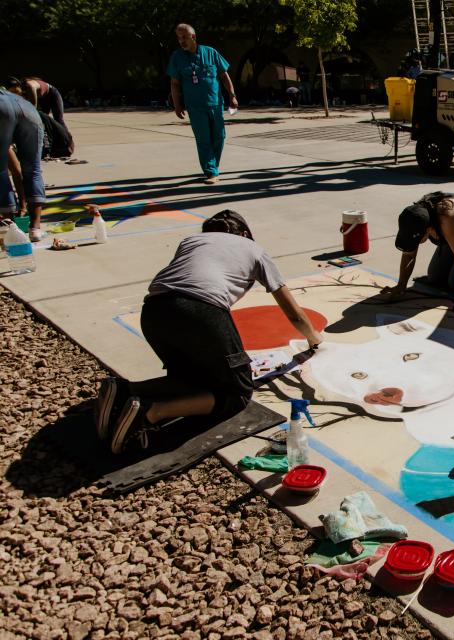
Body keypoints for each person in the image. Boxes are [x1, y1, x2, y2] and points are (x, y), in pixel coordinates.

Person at [95, 210, 324, 454]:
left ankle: (126, 390)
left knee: (191, 380)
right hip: (202, 312)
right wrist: (315, 340)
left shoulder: (191, 241)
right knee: (237, 394)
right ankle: (150, 412)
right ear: (245, 234)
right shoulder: (253, 249)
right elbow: (294, 314)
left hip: (154, 311)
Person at [167, 23, 238, 185]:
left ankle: (213, 166)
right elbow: (174, 83)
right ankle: (211, 171)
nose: (181, 41)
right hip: (195, 107)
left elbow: (224, 76)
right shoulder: (177, 57)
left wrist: (232, 96)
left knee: (220, 136)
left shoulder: (210, 52)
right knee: (203, 139)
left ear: (193, 37)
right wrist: (177, 105)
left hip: (215, 103)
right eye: (179, 38)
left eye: (184, 37)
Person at [0, 88, 47, 241]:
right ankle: (35, 228)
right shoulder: (15, 97)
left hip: (3, 108)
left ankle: (11, 229)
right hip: (28, 110)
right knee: (33, 169)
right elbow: (16, 168)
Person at [3, 76, 67, 129]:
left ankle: (67, 141)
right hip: (42, 99)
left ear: (18, 86)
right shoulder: (20, 92)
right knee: (43, 121)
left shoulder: (30, 86)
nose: (16, 94)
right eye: (12, 93)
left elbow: (33, 108)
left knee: (59, 120)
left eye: (15, 91)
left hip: (52, 94)